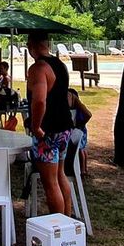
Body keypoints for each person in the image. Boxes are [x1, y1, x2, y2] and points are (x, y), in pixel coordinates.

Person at [26, 31, 74, 216]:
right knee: (60, 175)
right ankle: (67, 220)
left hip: (48, 131)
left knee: (50, 183)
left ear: (32, 45)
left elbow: (39, 101)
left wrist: (36, 126)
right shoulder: (60, 65)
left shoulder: (38, 68)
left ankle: (59, 224)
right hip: (65, 127)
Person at [67, 88, 92, 175]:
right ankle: (85, 168)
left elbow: (88, 115)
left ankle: (82, 169)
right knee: (83, 149)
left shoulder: (76, 110)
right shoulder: (79, 109)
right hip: (82, 129)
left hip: (79, 129)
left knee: (80, 149)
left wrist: (80, 124)